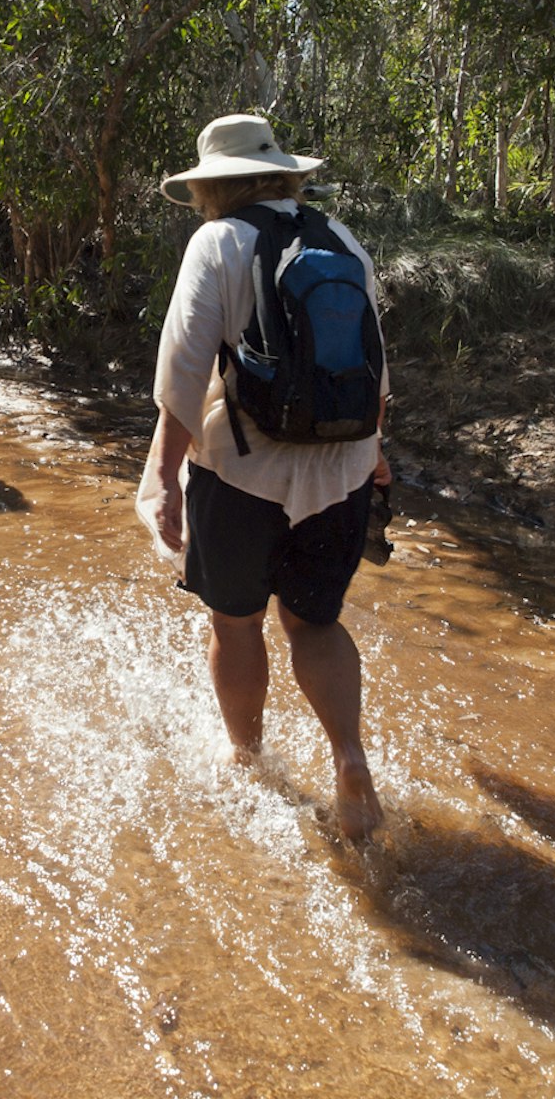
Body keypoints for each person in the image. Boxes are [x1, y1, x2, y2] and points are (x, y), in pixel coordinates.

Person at [137, 113, 391, 844]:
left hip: (242, 471)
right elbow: (374, 363)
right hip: (341, 467)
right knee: (315, 622)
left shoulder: (216, 240)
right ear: (284, 173)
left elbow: (183, 371)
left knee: (236, 621)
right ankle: (349, 756)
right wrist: (372, 453)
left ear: (212, 187)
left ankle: (245, 759)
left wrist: (164, 476)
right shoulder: (340, 239)